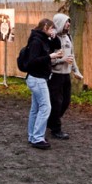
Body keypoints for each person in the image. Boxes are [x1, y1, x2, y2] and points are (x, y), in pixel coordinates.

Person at [24, 18, 63, 150]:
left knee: (36, 108)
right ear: (45, 26)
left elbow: (57, 45)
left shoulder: (42, 39)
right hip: (37, 79)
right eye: (51, 28)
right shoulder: (36, 41)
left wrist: (54, 36)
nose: (53, 30)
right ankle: (37, 137)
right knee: (45, 107)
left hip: (38, 78)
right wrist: (50, 57)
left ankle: (32, 135)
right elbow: (32, 61)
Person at [47, 14, 83, 140]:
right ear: (59, 23)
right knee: (56, 103)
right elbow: (48, 60)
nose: (68, 24)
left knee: (66, 102)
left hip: (66, 75)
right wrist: (62, 60)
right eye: (66, 22)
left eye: (69, 22)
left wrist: (76, 71)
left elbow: (71, 56)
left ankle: (51, 121)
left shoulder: (68, 37)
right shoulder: (52, 38)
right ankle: (56, 129)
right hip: (55, 76)